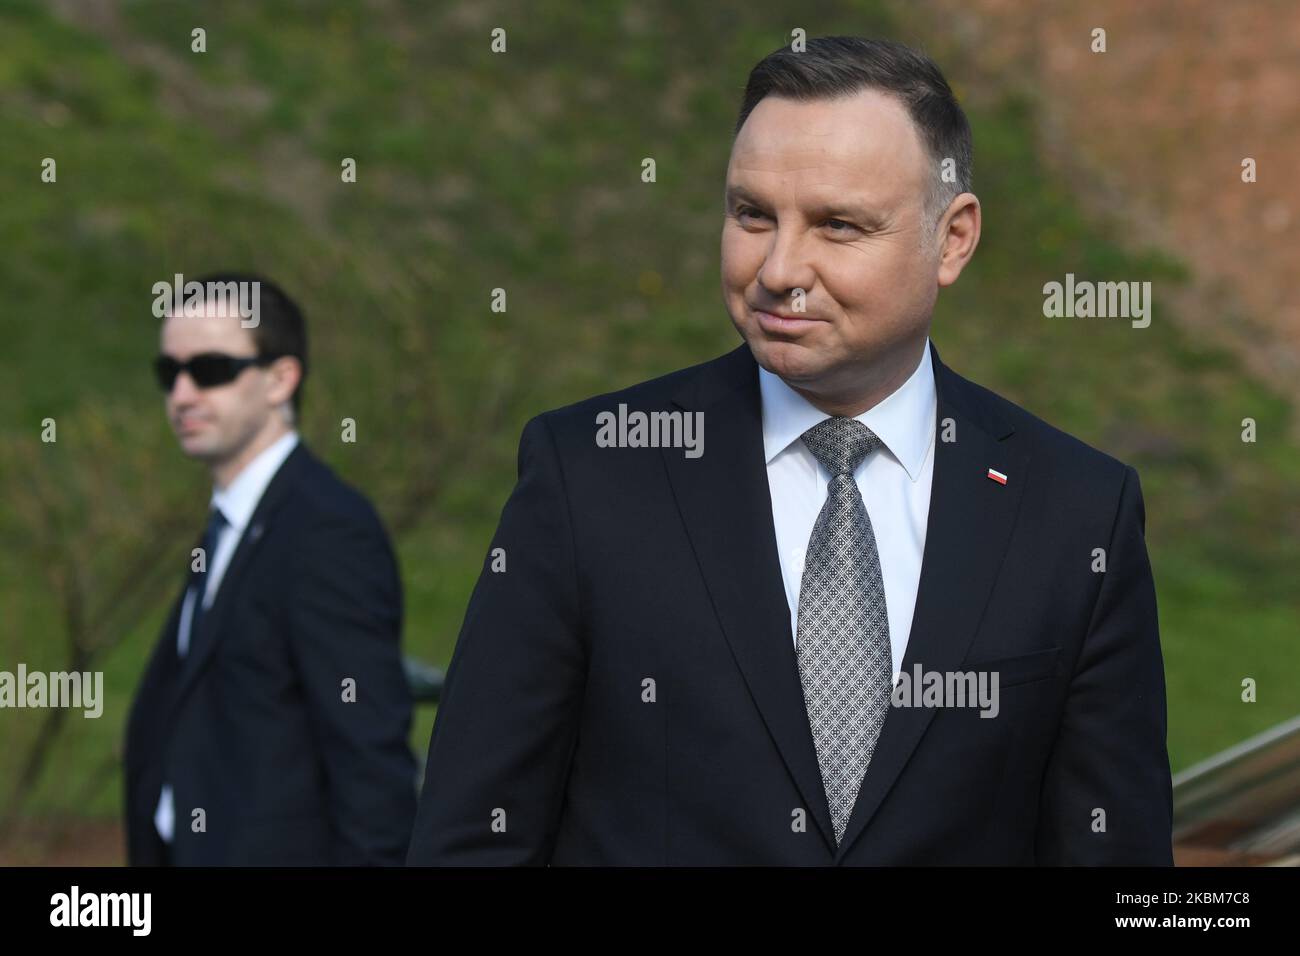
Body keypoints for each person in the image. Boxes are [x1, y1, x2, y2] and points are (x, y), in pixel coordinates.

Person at [407, 37, 1173, 865]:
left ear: (952, 239)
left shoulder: (1075, 511)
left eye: (838, 225)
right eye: (752, 215)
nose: (779, 270)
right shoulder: (588, 475)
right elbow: (471, 838)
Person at [124, 273, 416, 865]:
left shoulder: (327, 528)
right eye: (168, 373)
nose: (181, 395)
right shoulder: (231, 521)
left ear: (281, 379)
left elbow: (371, 764)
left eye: (210, 370)